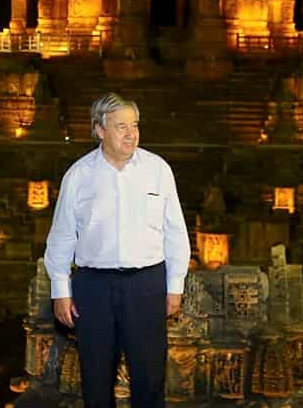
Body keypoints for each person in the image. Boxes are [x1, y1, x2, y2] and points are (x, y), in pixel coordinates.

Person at [44, 92, 191, 408]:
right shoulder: (79, 175)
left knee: (150, 377)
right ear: (100, 130)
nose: (131, 134)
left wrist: (175, 286)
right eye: (121, 126)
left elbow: (176, 233)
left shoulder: (158, 170)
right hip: (93, 288)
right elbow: (61, 237)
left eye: (134, 125)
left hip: (147, 284)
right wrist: (60, 291)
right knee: (96, 378)